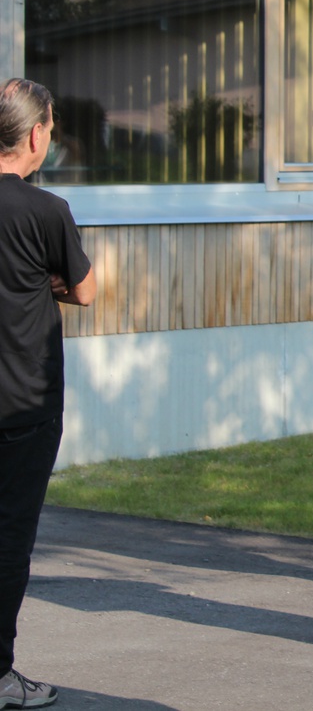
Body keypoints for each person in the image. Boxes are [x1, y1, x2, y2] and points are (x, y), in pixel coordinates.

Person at [0, 79, 95, 710]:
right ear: (36, 135)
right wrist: (45, 280)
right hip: (24, 404)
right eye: (52, 129)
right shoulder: (45, 210)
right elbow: (85, 289)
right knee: (9, 541)